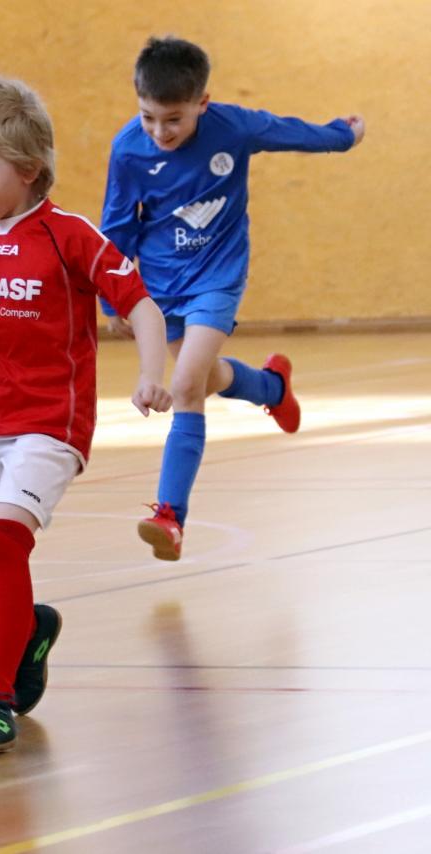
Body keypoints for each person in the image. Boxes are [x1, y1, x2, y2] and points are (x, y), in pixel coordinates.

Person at [0, 78, 172, 755]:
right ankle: (27, 629)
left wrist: (151, 374)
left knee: (3, 544)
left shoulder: (69, 234)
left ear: (30, 168)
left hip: (47, 427)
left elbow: (142, 305)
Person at [100, 36, 365, 560]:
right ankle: (271, 386)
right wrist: (114, 301)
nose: (160, 131)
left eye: (173, 119)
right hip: (162, 285)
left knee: (185, 385)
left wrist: (341, 135)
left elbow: (287, 131)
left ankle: (170, 515)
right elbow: (117, 225)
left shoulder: (233, 128)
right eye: (148, 117)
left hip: (217, 277)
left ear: (202, 103)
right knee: (203, 376)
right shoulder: (128, 148)